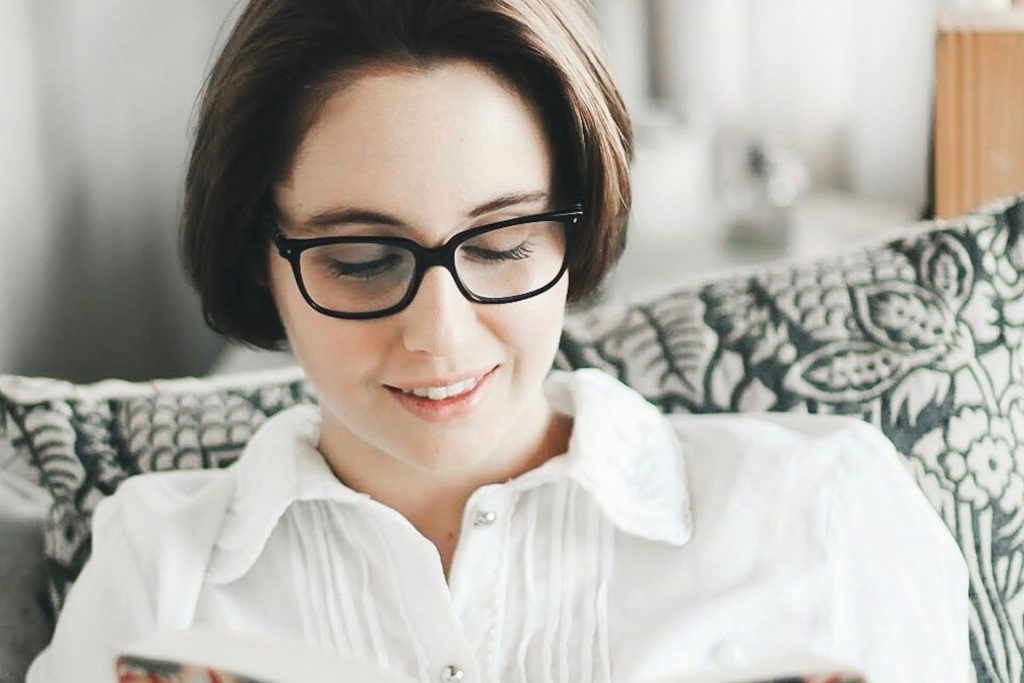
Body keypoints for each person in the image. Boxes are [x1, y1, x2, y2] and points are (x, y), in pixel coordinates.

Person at [28, 1, 968, 681]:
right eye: (362, 260)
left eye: (503, 243)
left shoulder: (824, 512)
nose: (440, 333)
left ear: (572, 226)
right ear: (256, 254)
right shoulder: (156, 569)